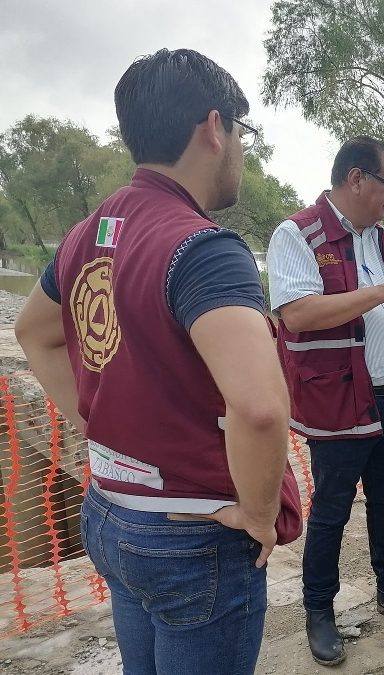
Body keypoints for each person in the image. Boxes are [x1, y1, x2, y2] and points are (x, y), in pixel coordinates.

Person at [14, 48, 302, 675]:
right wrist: (256, 513)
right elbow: (258, 407)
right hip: (192, 532)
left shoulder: (85, 232)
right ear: (214, 127)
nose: (241, 153)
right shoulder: (203, 248)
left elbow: (34, 331)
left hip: (112, 513)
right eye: (242, 133)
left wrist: (94, 419)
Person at [267, 136, 384, 667]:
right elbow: (298, 313)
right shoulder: (298, 235)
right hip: (340, 402)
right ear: (356, 179)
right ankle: (319, 612)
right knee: (329, 513)